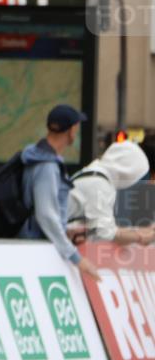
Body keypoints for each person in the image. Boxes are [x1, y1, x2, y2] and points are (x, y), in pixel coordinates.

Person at [18, 104, 99, 278]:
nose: (76, 132)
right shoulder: (47, 166)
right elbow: (46, 215)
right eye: (76, 127)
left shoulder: (38, 156)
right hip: (39, 249)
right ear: (70, 130)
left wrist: (65, 229)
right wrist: (76, 257)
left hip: (38, 244)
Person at [67, 140, 153, 245]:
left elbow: (105, 227)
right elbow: (106, 234)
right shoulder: (99, 185)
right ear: (130, 171)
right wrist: (140, 237)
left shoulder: (92, 173)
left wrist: (138, 232)